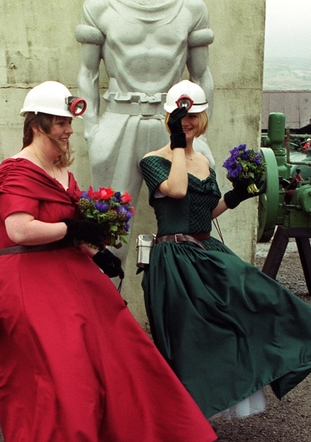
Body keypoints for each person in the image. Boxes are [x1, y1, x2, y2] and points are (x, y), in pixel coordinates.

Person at [0, 81, 217, 442]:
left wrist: (96, 248)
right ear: (38, 124)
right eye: (61, 121)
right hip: (26, 282)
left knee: (120, 355)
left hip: (67, 279)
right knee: (59, 377)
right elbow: (19, 229)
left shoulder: (63, 174)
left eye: (69, 121)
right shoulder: (15, 169)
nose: (68, 129)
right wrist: (74, 230)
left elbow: (71, 230)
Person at [138, 80, 311, 421]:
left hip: (205, 250)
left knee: (256, 300)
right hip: (174, 259)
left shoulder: (203, 160)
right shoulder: (152, 160)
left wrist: (237, 195)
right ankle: (190, 419)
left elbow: (207, 210)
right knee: (191, 340)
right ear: (168, 117)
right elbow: (175, 190)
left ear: (202, 118)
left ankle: (291, 354)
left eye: (193, 116)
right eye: (179, 115)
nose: (186, 121)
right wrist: (175, 145)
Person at [76, 0, 216, 265]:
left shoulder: (191, 8)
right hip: (118, 116)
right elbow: (87, 71)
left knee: (188, 219)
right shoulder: (99, 6)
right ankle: (102, 302)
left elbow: (202, 74)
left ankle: (183, 294)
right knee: (108, 225)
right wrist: (91, 129)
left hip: (172, 121)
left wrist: (201, 136)